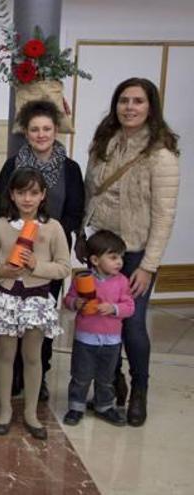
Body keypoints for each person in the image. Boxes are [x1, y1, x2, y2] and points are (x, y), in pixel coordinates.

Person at [81, 77, 179, 426]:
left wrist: (148, 266)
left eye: (138, 101)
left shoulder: (161, 155)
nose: (130, 107)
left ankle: (139, 390)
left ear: (151, 107)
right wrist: (83, 236)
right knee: (99, 316)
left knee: (132, 323)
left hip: (135, 253)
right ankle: (112, 382)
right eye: (124, 100)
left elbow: (164, 216)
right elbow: (90, 192)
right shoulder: (103, 143)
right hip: (100, 245)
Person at [0, 99, 84, 402]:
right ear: (26, 132)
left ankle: (39, 373)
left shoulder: (70, 168)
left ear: (56, 130)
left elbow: (74, 211)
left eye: (47, 128)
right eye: (35, 129)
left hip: (49, 255)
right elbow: (1, 205)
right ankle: (15, 373)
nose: (41, 134)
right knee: (12, 317)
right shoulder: (13, 165)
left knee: (41, 319)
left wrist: (47, 234)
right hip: (13, 252)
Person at [0, 168, 70, 440]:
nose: (27, 199)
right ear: (12, 195)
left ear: (43, 195)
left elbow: (64, 267)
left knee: (33, 356)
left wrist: (37, 266)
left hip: (37, 299)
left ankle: (31, 412)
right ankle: (5, 410)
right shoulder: (0, 226)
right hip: (7, 297)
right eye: (21, 192)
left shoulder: (53, 227)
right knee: (5, 354)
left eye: (33, 193)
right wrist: (1, 271)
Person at [62, 230, 134, 427]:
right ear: (95, 260)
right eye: (113, 257)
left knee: (106, 377)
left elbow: (129, 307)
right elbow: (68, 299)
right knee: (80, 375)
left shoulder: (122, 281)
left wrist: (114, 308)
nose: (119, 262)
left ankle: (104, 406)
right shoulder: (83, 279)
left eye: (121, 257)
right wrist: (76, 303)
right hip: (85, 339)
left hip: (111, 341)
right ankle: (76, 407)